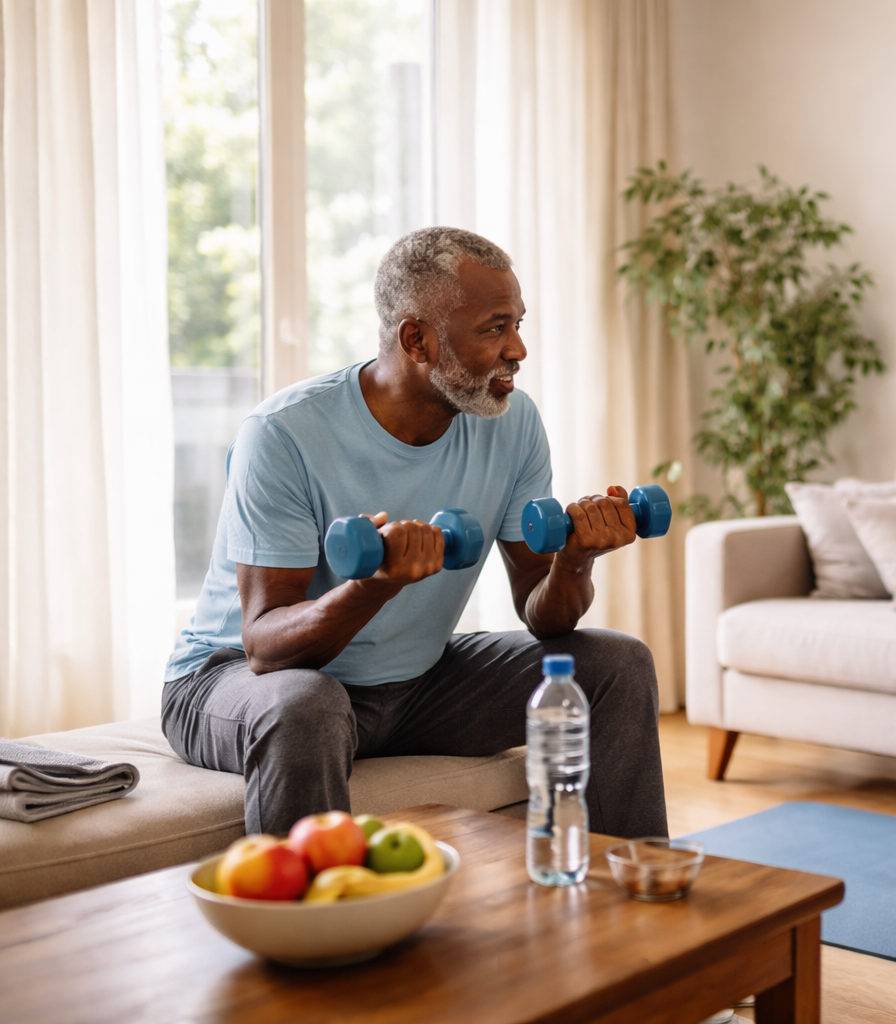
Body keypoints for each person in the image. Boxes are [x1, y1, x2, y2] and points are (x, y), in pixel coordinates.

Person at [162, 226, 667, 842]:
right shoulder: (284, 433)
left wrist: (574, 560)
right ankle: (322, 932)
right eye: (495, 328)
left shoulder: (512, 422)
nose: (519, 350)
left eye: (519, 325)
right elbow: (266, 647)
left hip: (413, 684)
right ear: (417, 339)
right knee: (307, 703)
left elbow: (545, 614)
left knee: (616, 663)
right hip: (234, 678)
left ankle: (632, 893)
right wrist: (371, 589)